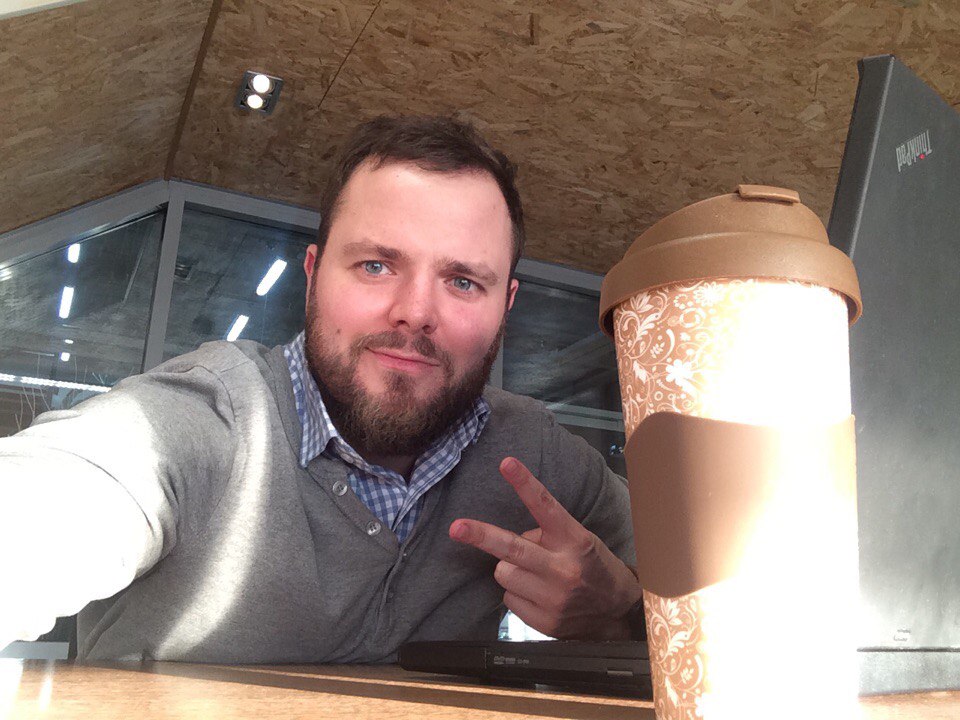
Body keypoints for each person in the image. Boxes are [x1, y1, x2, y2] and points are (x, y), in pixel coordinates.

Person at [0, 115, 642, 663]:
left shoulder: (534, 454)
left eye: (463, 282)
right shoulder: (196, 425)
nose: (416, 312)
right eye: (375, 265)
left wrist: (623, 608)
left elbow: (694, 582)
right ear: (313, 276)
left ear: (506, 306)